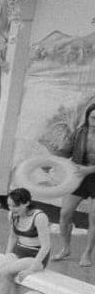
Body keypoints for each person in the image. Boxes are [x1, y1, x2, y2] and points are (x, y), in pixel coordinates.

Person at [0, 187, 50, 294]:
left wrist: (32, 268)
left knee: (2, 273)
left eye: (15, 206)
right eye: (9, 205)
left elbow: (46, 246)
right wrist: (7, 256)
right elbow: (13, 237)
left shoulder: (39, 217)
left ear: (26, 203)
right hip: (19, 251)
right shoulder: (12, 215)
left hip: (36, 255)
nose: (12, 209)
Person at [52, 103, 95, 265]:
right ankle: (65, 248)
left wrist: (89, 170)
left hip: (92, 176)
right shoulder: (79, 133)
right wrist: (52, 160)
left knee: (94, 218)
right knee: (65, 214)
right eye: (93, 117)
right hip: (78, 176)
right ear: (87, 117)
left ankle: (87, 253)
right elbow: (66, 152)